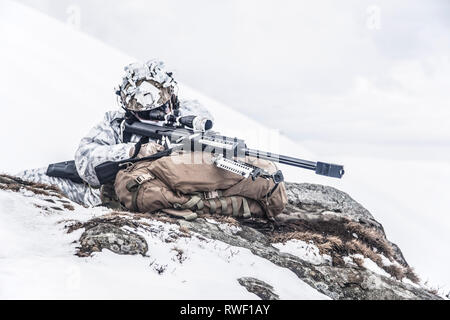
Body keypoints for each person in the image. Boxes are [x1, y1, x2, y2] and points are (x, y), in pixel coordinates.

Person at [18, 60, 213, 207]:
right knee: (26, 179)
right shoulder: (117, 123)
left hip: (133, 201)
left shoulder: (192, 121)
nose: (153, 116)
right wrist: (133, 151)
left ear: (171, 98)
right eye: (143, 112)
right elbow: (85, 161)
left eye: (159, 109)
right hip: (99, 193)